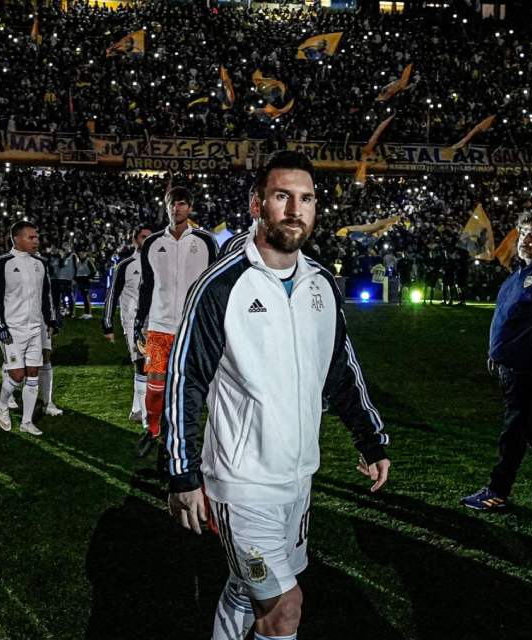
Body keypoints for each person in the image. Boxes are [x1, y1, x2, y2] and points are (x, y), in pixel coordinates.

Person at [162, 151, 391, 640]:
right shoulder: (220, 286)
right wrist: (181, 473)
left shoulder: (321, 283)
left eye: (306, 198)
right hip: (242, 480)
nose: (295, 209)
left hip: (299, 474)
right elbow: (186, 378)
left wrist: (370, 438)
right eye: (282, 196)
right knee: (285, 607)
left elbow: (339, 369)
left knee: (248, 592)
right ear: (256, 204)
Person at [461, 210, 532, 511]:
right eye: (523, 233)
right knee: (527, 425)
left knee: (517, 427)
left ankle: (498, 490)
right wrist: (496, 353)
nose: (525, 239)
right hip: (513, 365)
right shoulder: (523, 271)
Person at [134, 186, 218, 455]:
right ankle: (153, 429)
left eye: (181, 203)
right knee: (155, 382)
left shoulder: (205, 242)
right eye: (172, 203)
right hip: (159, 325)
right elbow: (146, 285)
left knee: (189, 384)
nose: (176, 208)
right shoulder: (153, 243)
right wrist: (139, 321)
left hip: (191, 327)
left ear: (189, 208)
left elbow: (212, 287)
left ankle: (185, 433)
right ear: (166, 206)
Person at [0, 220, 57, 436]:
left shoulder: (40, 263)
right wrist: (0, 325)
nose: (36, 241)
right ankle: (1, 404)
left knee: (33, 374)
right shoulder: (2, 263)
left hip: (36, 328)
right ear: (16, 239)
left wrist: (50, 320)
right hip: (13, 329)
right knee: (17, 375)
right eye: (31, 237)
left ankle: (26, 422)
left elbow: (45, 295)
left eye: (36, 237)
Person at [103, 225, 153, 438]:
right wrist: (107, 324)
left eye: (150, 238)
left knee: (148, 365)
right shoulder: (125, 265)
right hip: (132, 322)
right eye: (143, 237)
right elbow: (112, 295)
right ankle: (145, 419)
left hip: (154, 322)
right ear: (135, 241)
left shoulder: (157, 264)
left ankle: (136, 410)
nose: (147, 241)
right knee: (142, 364)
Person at [74, 249, 98, 320]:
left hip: (85, 280)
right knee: (84, 297)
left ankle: (89, 314)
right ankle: (85, 313)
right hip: (80, 280)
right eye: (79, 253)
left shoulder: (88, 260)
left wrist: (90, 278)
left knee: (86, 297)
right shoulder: (78, 262)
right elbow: (77, 271)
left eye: (82, 253)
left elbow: (94, 270)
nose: (80, 254)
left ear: (85, 253)